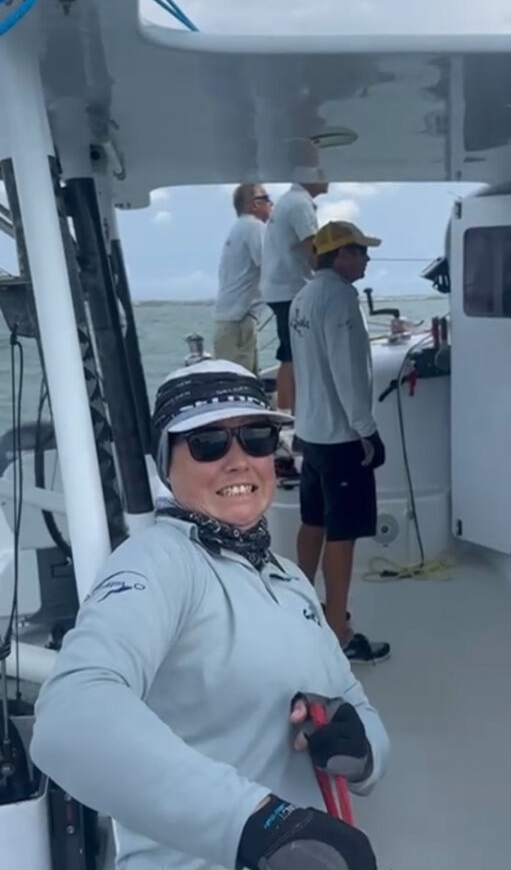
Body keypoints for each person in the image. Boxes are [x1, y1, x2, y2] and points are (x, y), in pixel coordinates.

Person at [30, 358, 389, 870]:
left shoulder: (290, 580)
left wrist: (361, 747)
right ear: (166, 463)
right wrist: (259, 824)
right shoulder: (159, 561)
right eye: (208, 443)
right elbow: (69, 714)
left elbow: (357, 703)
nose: (238, 460)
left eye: (257, 437)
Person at [289, 222, 391, 665]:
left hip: (309, 433)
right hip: (339, 437)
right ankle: (337, 631)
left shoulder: (302, 297)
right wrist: (367, 430)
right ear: (340, 255)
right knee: (343, 533)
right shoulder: (341, 298)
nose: (367, 259)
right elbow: (347, 372)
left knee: (313, 521)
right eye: (361, 252)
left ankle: (297, 606)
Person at [260, 169, 328, 410]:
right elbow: (314, 251)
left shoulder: (290, 201)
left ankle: (289, 410)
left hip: (281, 289)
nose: (329, 178)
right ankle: (289, 414)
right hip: (290, 290)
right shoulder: (300, 204)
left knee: (291, 352)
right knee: (294, 355)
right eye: (323, 173)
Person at [213, 183, 272, 374]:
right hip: (239, 321)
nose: (271, 203)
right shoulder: (255, 227)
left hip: (229, 319)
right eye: (266, 199)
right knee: (242, 381)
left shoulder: (239, 228)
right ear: (254, 205)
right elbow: (271, 267)